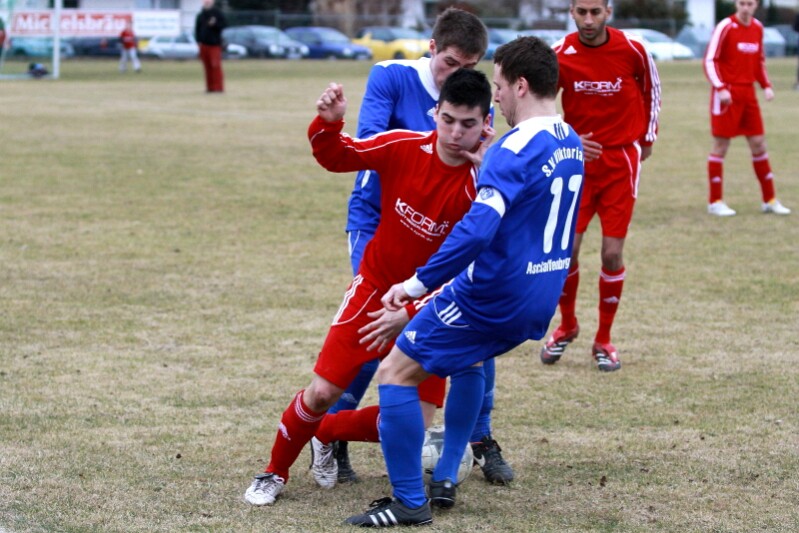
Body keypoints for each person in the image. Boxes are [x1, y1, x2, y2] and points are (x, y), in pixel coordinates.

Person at [344, 36, 584, 527]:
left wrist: (415, 285)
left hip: (493, 294)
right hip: (541, 294)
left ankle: (409, 502)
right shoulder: (571, 140)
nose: (497, 97)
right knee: (470, 361)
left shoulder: (512, 148)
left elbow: (476, 230)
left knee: (395, 372)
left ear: (520, 85)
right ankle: (448, 472)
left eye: (499, 86)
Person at [243, 68, 495, 507]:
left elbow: (476, 268)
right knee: (322, 393)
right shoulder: (403, 145)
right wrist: (329, 124)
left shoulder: (487, 186)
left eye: (468, 124)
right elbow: (338, 156)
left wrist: (412, 310)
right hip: (374, 291)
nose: (456, 133)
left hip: (427, 309)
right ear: (435, 112)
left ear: (486, 124)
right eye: (448, 119)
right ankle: (274, 471)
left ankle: (326, 432)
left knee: (416, 422)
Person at [331, 6, 515, 487]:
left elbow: (482, 172)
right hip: (379, 220)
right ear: (432, 48)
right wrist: (438, 138)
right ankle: (332, 433)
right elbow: (369, 143)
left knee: (472, 329)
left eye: (468, 66)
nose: (458, 74)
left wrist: (479, 159)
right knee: (377, 326)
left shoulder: (473, 100)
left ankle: (480, 437)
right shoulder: (392, 76)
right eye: (450, 63)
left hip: (444, 231)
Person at [540, 0, 661, 372]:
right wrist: (568, 138)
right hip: (576, 163)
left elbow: (651, 89)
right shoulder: (560, 54)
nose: (588, 19)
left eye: (595, 11)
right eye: (582, 12)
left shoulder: (633, 49)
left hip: (620, 161)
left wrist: (647, 137)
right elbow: (540, 105)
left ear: (608, 11)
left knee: (611, 254)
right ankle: (567, 325)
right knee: (567, 251)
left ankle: (604, 339)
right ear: (572, 12)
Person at [703, 0, 790, 217]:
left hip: (748, 94)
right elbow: (710, 60)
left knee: (758, 142)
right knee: (721, 145)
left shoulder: (758, 28)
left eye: (749, 4)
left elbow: (759, 60)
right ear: (736, 4)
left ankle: (769, 200)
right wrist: (721, 88)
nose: (745, 7)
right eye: (741, 3)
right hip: (727, 95)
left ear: (756, 5)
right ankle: (715, 202)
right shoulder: (725, 26)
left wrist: (766, 85)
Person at [195, 0, 226, 93]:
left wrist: (215, 24)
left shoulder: (217, 13)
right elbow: (197, 29)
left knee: (215, 66)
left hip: (214, 45)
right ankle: (210, 88)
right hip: (204, 45)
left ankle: (218, 87)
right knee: (207, 67)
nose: (207, 2)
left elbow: (224, 25)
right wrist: (198, 41)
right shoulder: (200, 15)